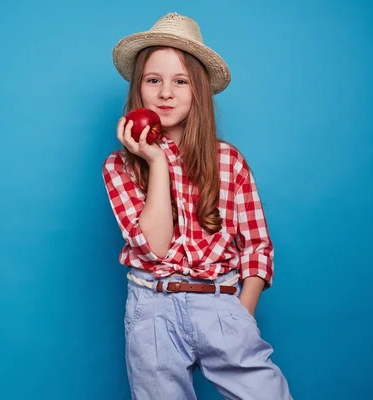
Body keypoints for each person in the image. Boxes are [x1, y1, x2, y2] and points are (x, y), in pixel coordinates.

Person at [102, 12, 293, 400]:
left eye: (180, 81)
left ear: (198, 91)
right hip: (152, 308)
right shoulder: (119, 166)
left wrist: (243, 310)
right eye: (153, 80)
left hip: (220, 303)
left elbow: (256, 246)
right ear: (138, 90)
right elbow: (155, 246)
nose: (166, 93)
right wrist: (156, 162)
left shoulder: (229, 161)